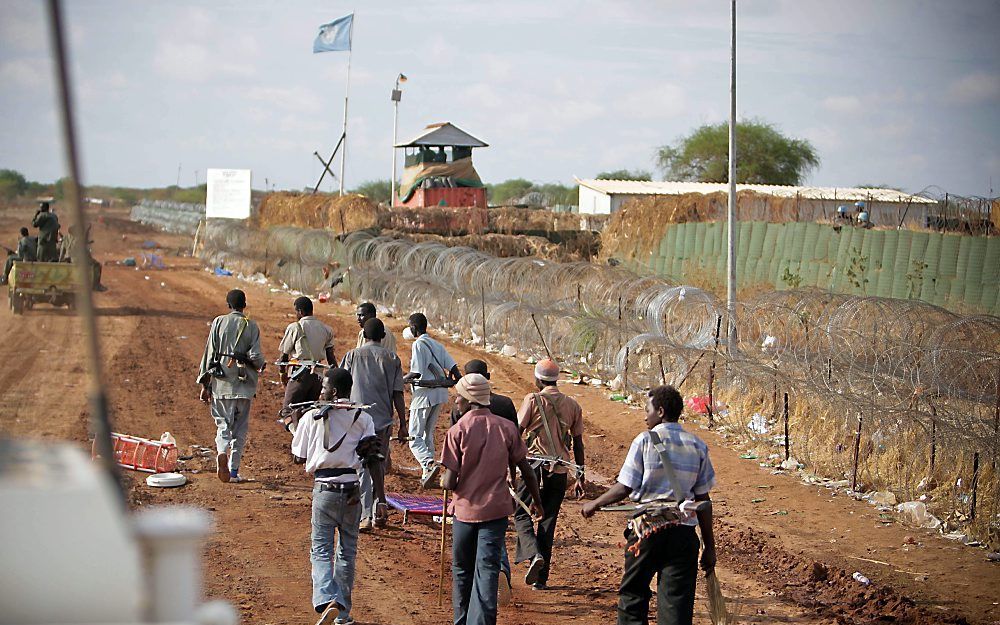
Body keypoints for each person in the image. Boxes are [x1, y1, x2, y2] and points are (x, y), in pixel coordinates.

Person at [581, 385, 717, 625]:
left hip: (647, 531)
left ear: (661, 411)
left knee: (633, 595)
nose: (645, 416)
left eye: (648, 410)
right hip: (684, 534)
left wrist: (595, 503)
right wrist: (709, 547)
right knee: (677, 604)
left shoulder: (645, 440)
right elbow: (703, 501)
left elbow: (625, 487)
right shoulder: (697, 445)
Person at [440, 373, 544, 625]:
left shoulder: (458, 431)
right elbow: (526, 470)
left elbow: (450, 482)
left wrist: (442, 479)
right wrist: (537, 501)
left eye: (458, 398)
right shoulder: (506, 428)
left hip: (464, 513)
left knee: (462, 571)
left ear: (468, 399)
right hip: (495, 514)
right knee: (487, 571)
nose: (455, 403)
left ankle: (461, 620)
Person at [291, 368, 377, 625]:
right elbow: (372, 458)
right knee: (347, 552)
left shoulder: (311, 417)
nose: (320, 392)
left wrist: (295, 424)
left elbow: (299, 456)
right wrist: (379, 499)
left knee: (320, 550)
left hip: (325, 491)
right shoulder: (364, 417)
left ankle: (326, 598)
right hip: (352, 490)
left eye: (324, 388)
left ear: (335, 392)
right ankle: (342, 614)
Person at [513, 358, 586, 590]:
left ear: (537, 379)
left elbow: (517, 432)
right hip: (560, 469)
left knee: (523, 514)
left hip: (532, 466)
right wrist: (580, 476)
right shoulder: (573, 404)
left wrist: (509, 464)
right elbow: (578, 443)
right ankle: (541, 579)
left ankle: (533, 554)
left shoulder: (532, 400)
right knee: (548, 520)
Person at [339, 318, 406, 531]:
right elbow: (398, 394)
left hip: (357, 418)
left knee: (362, 468)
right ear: (383, 337)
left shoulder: (352, 356)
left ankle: (367, 514)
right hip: (383, 421)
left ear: (364, 336)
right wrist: (403, 423)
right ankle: (379, 508)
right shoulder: (392, 359)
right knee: (377, 465)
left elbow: (342, 389)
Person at [197, 289, 266, 483]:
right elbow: (256, 357)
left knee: (223, 425)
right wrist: (262, 365)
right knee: (240, 430)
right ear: (245, 305)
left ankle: (221, 451)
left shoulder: (219, 322)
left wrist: (205, 384)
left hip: (222, 385)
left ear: (228, 306)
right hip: (245, 385)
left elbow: (209, 355)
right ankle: (234, 471)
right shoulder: (251, 326)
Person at [402, 312, 460, 487]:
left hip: (424, 394)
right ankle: (428, 473)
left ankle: (428, 463)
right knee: (428, 434)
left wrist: (399, 381)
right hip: (440, 393)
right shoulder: (436, 344)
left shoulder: (419, 345)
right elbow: (454, 367)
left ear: (413, 328)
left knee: (414, 436)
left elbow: (416, 372)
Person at [278, 296, 336, 433]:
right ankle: (308, 441)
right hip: (318, 376)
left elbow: (283, 356)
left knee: (287, 411)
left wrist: (282, 374)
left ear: (300, 311)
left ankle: (298, 438)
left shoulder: (295, 327)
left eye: (296, 311)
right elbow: (331, 357)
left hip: (300, 374)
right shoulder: (326, 329)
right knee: (308, 411)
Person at [449, 360, 517, 426]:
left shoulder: (459, 406)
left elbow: (453, 432)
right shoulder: (505, 403)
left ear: (466, 378)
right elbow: (515, 432)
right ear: (488, 376)